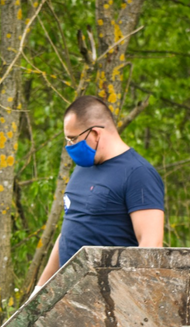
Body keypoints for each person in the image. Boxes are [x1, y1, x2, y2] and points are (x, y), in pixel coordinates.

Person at [34, 95, 166, 290]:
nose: (69, 146)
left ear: (95, 133)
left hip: (110, 299)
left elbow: (151, 245)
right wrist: (40, 290)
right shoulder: (82, 168)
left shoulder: (138, 173)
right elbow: (69, 231)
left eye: (73, 139)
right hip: (71, 299)